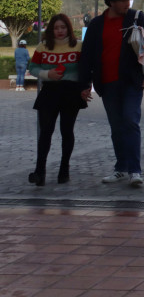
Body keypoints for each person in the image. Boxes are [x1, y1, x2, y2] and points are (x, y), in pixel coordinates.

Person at [79, 0, 144, 188]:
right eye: (122, 0)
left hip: (131, 81)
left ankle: (135, 171)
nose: (127, 3)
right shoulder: (97, 25)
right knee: (116, 127)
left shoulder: (136, 17)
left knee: (130, 121)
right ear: (111, 2)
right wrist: (84, 84)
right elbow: (87, 56)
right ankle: (121, 169)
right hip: (107, 84)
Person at [27, 14, 86, 186]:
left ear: (68, 28)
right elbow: (33, 67)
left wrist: (85, 87)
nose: (60, 31)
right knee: (46, 131)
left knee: (67, 131)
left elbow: (86, 69)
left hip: (71, 92)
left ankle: (64, 170)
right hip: (49, 91)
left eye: (63, 27)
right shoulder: (43, 46)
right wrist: (48, 74)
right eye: (56, 28)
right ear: (51, 30)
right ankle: (39, 172)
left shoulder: (79, 46)